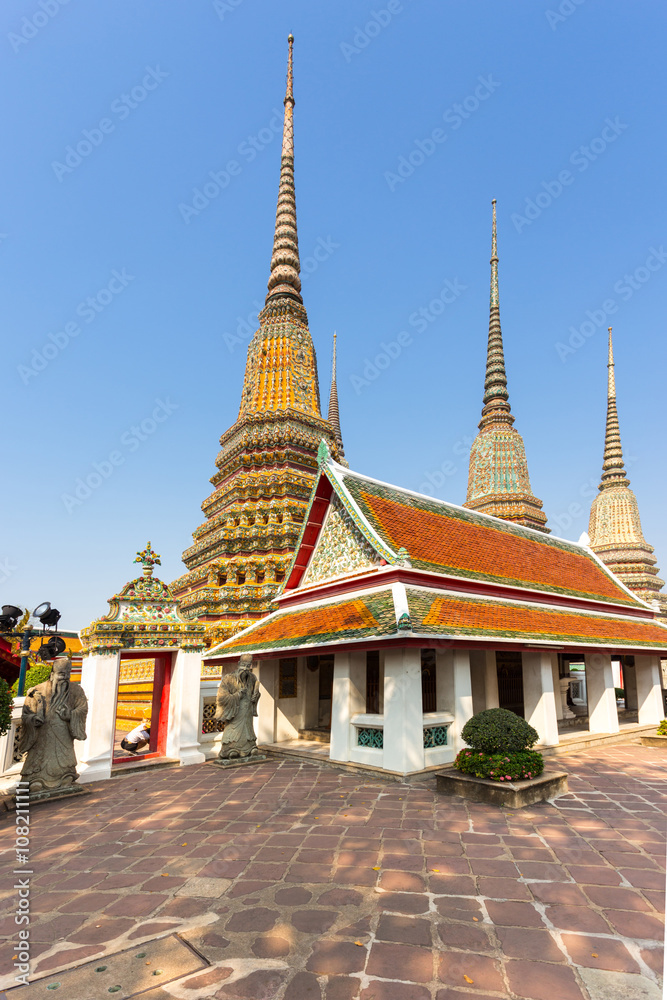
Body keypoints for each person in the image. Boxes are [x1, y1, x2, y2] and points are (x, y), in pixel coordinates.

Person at [20, 655, 88, 793]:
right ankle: (35, 779)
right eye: (61, 674)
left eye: (68, 674)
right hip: (42, 735)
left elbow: (82, 708)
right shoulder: (37, 691)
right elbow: (26, 713)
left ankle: (65, 777)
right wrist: (33, 719)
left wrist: (70, 715)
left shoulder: (76, 691)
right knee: (36, 774)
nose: (65, 678)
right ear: (52, 675)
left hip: (63, 735)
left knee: (66, 773)